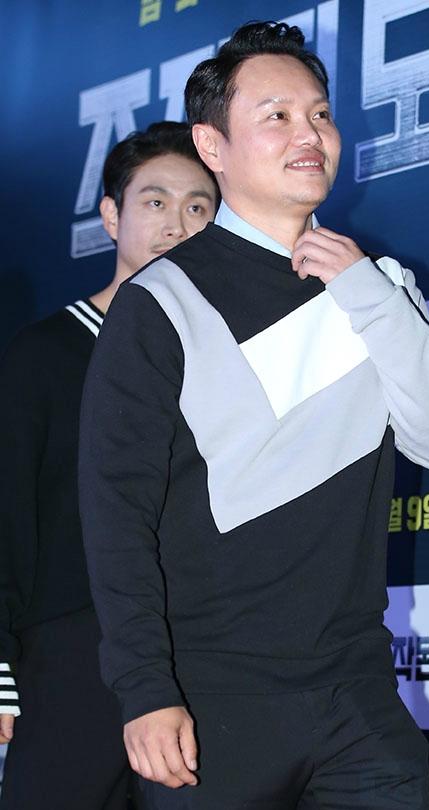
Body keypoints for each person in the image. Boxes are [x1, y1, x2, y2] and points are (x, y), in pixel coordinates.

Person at [78, 22, 429, 810]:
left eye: (320, 114)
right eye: (277, 116)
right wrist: (145, 688)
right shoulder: (161, 300)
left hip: (357, 695)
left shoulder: (378, 284)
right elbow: (116, 511)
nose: (309, 134)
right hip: (209, 700)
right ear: (213, 145)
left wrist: (366, 293)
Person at [0, 122, 218, 809]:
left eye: (198, 206)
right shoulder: (42, 355)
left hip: (200, 655)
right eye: (155, 202)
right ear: (111, 215)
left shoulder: (229, 364)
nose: (176, 224)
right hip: (69, 653)